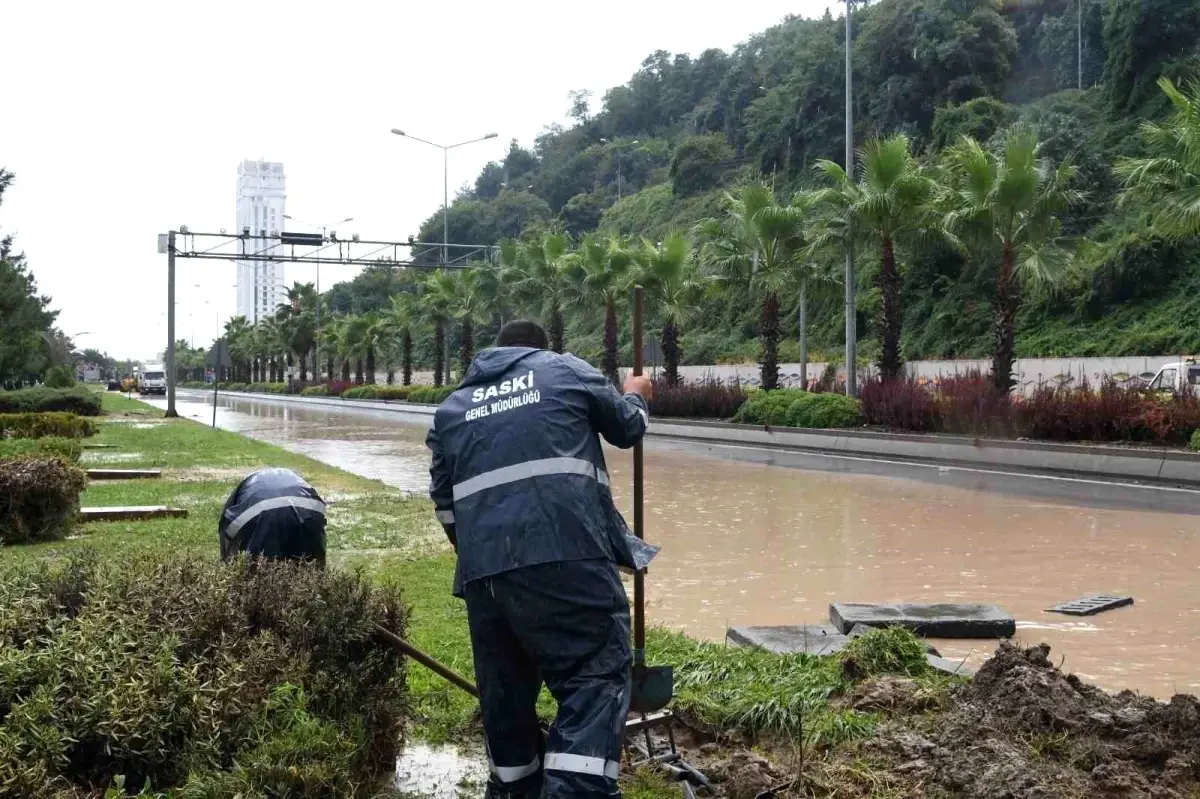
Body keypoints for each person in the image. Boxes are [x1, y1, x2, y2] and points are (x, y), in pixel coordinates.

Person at [426, 320, 655, 799]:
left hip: (483, 574)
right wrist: (635, 393)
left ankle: (513, 790)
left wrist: (494, 557)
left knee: (505, 695)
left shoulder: (452, 409)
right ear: (539, 349)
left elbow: (446, 506)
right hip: (565, 553)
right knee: (595, 673)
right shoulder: (562, 370)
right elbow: (627, 428)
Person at [218, 467, 327, 566]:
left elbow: (228, 527)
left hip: (261, 512)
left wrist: (226, 559)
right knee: (308, 565)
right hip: (310, 511)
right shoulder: (295, 479)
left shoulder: (243, 489)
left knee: (259, 568)